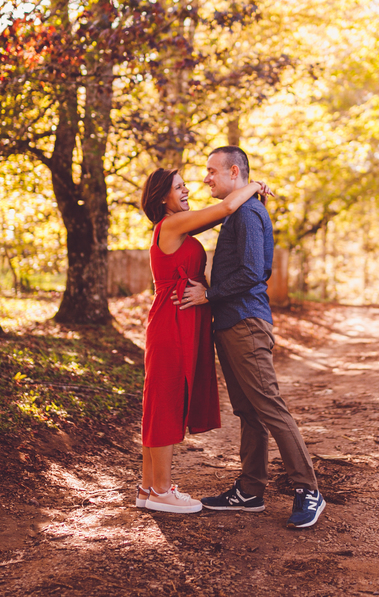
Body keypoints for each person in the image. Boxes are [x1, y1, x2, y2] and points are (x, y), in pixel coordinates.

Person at [180, 146, 326, 529]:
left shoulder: (245, 212)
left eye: (211, 171)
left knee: (268, 406)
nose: (206, 178)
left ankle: (308, 489)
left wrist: (207, 294)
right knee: (248, 410)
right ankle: (250, 490)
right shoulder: (238, 210)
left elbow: (251, 274)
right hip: (231, 324)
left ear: (233, 171)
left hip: (245, 323)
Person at [136, 167, 270, 514]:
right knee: (164, 403)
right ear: (162, 195)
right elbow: (225, 209)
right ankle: (163, 492)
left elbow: (221, 214)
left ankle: (149, 487)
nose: (187, 191)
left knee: (162, 401)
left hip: (181, 319)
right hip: (173, 321)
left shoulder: (179, 225)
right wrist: (255, 185)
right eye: (179, 188)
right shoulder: (170, 225)